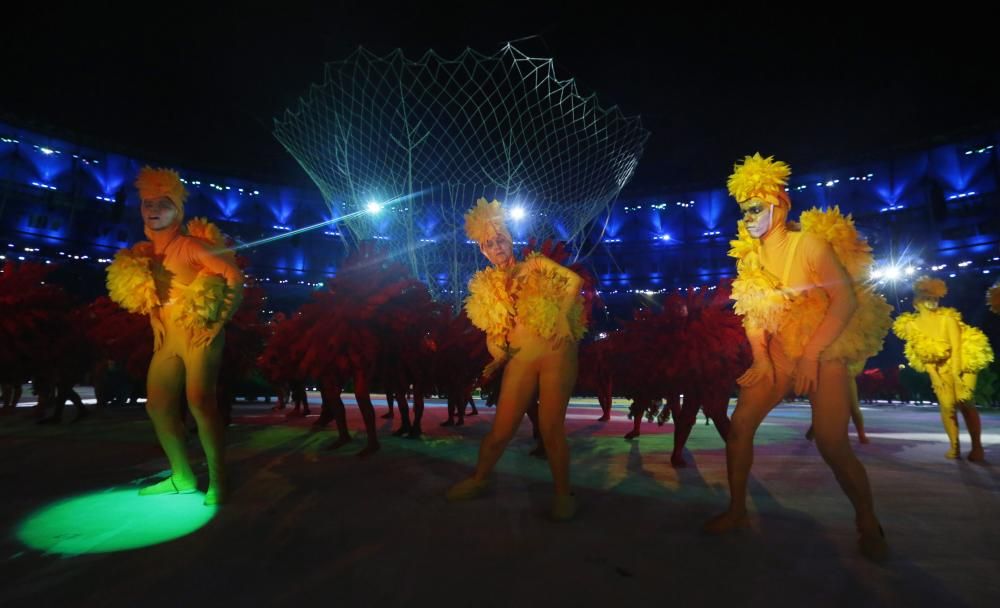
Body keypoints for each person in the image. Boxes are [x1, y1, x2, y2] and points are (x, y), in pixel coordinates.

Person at [703, 154, 891, 561]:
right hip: (778, 353)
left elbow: (845, 301)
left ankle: (867, 521)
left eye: (756, 207)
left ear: (781, 204)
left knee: (831, 443)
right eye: (744, 209)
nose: (749, 216)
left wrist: (810, 356)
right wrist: (761, 359)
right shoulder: (749, 254)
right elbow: (753, 313)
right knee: (740, 426)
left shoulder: (808, 245)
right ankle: (736, 510)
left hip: (821, 351)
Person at [107, 167, 243, 505]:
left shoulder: (191, 246)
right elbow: (154, 293)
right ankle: (181, 475)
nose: (153, 210)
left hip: (199, 336)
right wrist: (155, 320)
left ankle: (218, 480)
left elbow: (234, 278)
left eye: (162, 203)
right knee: (158, 406)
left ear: (177, 209)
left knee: (200, 400)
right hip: (168, 341)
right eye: (147, 203)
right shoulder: (146, 252)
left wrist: (217, 322)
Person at [446, 199, 584, 520]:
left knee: (551, 429)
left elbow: (574, 283)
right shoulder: (486, 290)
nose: (497, 247)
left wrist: (563, 317)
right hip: (521, 359)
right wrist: (497, 359)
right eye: (489, 244)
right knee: (501, 430)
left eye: (501, 239)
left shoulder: (535, 265)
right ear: (483, 251)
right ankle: (479, 478)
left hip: (557, 353)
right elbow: (495, 335)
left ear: (511, 239)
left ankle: (564, 494)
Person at [893, 276, 992, 461]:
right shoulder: (910, 326)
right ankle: (955, 446)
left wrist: (956, 376)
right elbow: (922, 353)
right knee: (947, 406)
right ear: (916, 303)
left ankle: (977, 447)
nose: (932, 302)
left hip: (964, 359)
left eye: (935, 298)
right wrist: (935, 377)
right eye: (926, 298)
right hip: (939, 366)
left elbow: (956, 349)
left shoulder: (948, 319)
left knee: (965, 400)